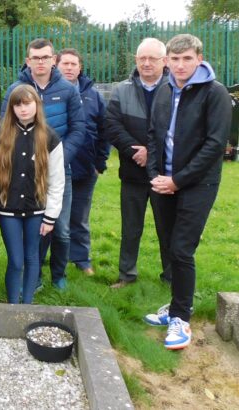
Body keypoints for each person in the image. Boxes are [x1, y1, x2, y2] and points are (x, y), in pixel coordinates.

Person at [144, 34, 231, 350]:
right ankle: (176, 306)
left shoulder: (214, 93)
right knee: (169, 247)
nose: (180, 65)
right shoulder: (165, 89)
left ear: (199, 58)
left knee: (182, 248)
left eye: (187, 59)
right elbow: (154, 135)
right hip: (163, 182)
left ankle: (181, 319)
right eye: (175, 59)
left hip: (197, 184)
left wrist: (177, 180)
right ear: (167, 60)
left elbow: (214, 145)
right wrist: (155, 174)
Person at [1, 38, 85, 290]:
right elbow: (6, 131)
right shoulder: (16, 90)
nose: (40, 62)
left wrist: (58, 160)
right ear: (28, 61)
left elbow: (79, 128)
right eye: (35, 58)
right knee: (36, 230)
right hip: (25, 176)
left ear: (53, 59)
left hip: (60, 172)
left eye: (45, 57)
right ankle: (34, 277)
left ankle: (58, 276)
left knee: (60, 229)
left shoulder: (68, 90)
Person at [0, 84, 65, 304]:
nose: (23, 109)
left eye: (27, 103)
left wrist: (50, 216)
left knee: (32, 259)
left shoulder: (50, 137)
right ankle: (12, 306)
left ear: (36, 105)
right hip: (8, 210)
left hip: (37, 210)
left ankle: (27, 305)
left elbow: (57, 180)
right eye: (17, 104)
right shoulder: (0, 135)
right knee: (16, 261)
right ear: (11, 108)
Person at [104, 38, 173, 289]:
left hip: (164, 175)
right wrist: (136, 151)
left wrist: (151, 154)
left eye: (152, 58)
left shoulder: (176, 88)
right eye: (141, 58)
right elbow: (112, 125)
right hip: (133, 172)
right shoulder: (122, 90)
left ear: (164, 61)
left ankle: (171, 276)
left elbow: (177, 130)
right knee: (131, 228)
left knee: (167, 229)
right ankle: (127, 275)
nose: (146, 63)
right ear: (136, 60)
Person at [55, 48, 110, 276]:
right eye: (65, 63)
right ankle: (52, 261)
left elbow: (105, 129)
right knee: (54, 217)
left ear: (80, 67)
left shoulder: (92, 95)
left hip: (85, 166)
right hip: (56, 167)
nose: (69, 68)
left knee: (80, 217)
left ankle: (81, 259)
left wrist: (100, 162)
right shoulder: (51, 92)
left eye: (73, 64)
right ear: (56, 66)